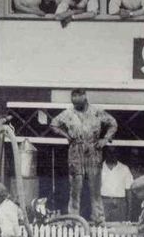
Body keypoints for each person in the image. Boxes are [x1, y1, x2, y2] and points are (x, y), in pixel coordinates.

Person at [50, 89, 117, 225]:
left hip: (94, 150)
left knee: (95, 188)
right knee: (75, 187)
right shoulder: (68, 113)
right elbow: (54, 124)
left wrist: (105, 139)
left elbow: (113, 124)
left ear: (85, 98)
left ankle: (98, 219)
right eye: (73, 102)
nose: (76, 105)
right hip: (76, 150)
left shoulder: (97, 112)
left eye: (78, 102)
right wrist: (66, 135)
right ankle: (73, 219)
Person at [100, 148, 133, 222]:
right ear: (105, 153)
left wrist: (129, 215)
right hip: (103, 203)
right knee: (102, 229)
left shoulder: (125, 168)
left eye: (114, 152)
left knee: (119, 230)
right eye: (109, 152)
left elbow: (129, 192)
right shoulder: (98, 168)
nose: (112, 155)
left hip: (120, 204)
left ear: (117, 153)